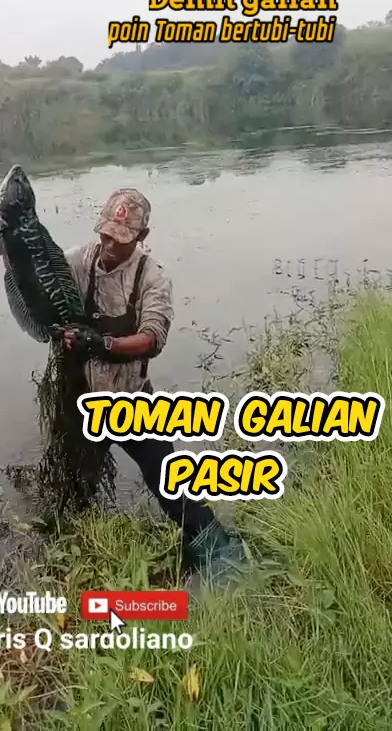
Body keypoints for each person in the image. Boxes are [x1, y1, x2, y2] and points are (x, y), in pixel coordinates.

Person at [61, 188, 246, 590]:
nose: (110, 245)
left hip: (129, 400)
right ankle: (71, 547)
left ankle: (217, 550)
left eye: (121, 239)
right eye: (106, 235)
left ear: (142, 236)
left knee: (169, 482)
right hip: (80, 399)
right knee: (74, 482)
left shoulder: (152, 276)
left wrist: (104, 344)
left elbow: (152, 339)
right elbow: (40, 283)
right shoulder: (80, 260)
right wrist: (7, 244)